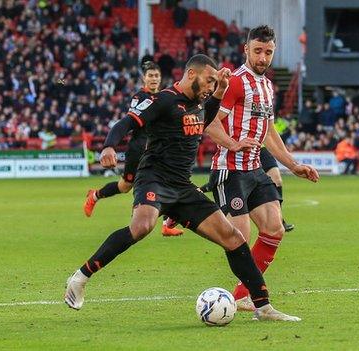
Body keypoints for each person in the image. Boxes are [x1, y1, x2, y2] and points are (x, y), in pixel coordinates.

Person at [65, 54, 300, 321]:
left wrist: (220, 91)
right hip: (154, 179)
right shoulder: (163, 100)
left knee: (233, 238)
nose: (211, 86)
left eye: (214, 82)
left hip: (183, 187)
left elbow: (206, 116)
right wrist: (108, 145)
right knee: (142, 226)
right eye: (209, 80)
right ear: (191, 75)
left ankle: (263, 307)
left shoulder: (199, 103)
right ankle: (80, 277)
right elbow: (125, 123)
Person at [204, 25, 320, 311]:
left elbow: (268, 132)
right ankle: (257, 301)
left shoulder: (268, 86)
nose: (263, 57)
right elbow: (210, 123)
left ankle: (244, 296)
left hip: (255, 169)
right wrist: (233, 143)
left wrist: (293, 164)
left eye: (268, 52)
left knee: (274, 229)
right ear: (246, 49)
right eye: (257, 51)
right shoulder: (235, 82)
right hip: (229, 169)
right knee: (239, 242)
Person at [82, 62, 183, 236]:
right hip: (138, 150)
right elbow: (129, 122)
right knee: (125, 186)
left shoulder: (163, 97)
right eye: (150, 75)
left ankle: (166, 225)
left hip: (157, 150)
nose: (153, 79)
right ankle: (95, 195)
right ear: (144, 78)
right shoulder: (139, 98)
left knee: (167, 182)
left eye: (156, 76)